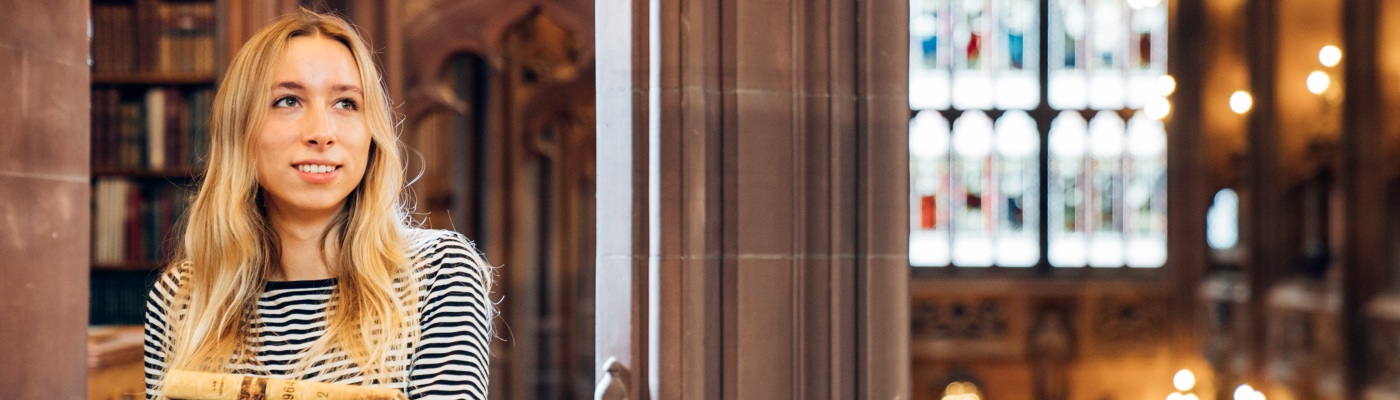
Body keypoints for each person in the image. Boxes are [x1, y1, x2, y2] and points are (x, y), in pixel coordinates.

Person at [143, 9, 492, 399]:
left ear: (371, 132)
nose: (322, 133)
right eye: (288, 100)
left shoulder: (438, 274)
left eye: (345, 103)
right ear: (240, 129)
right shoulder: (182, 296)